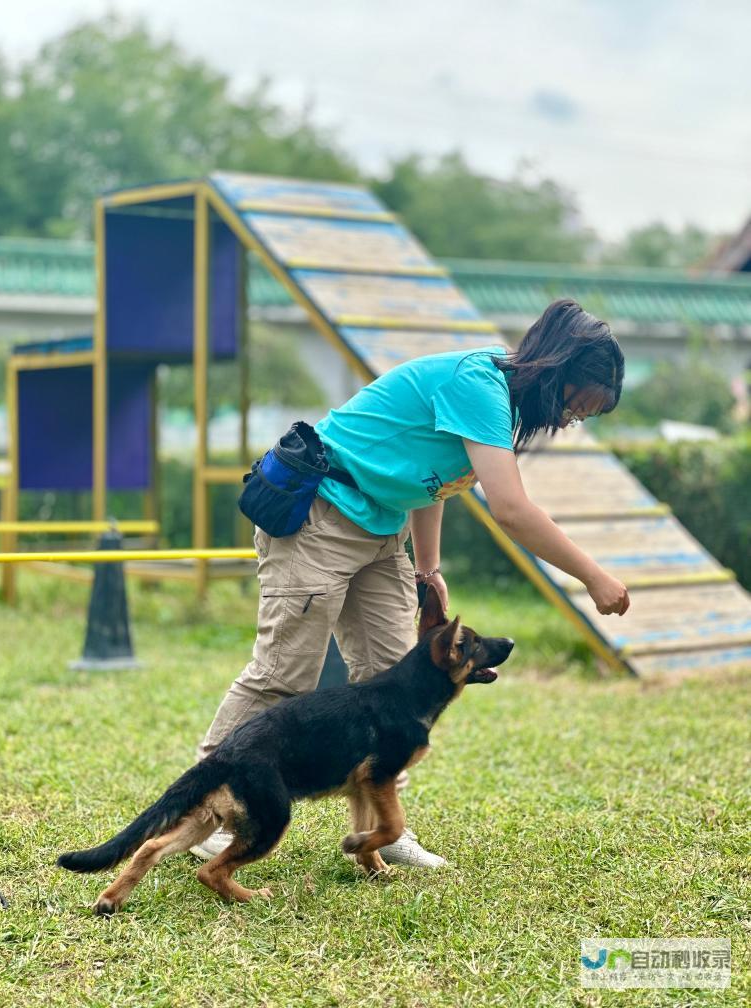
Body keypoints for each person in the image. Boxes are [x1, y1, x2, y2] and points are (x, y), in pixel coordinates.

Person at [191, 298, 629, 866]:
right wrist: (593, 577)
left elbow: (437, 478)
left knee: (395, 685)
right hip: (323, 513)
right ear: (559, 371)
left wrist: (428, 568)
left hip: (380, 527)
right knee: (284, 675)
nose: (576, 418)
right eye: (580, 404)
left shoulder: (501, 399)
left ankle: (382, 834)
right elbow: (512, 510)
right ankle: (202, 812)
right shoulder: (481, 384)